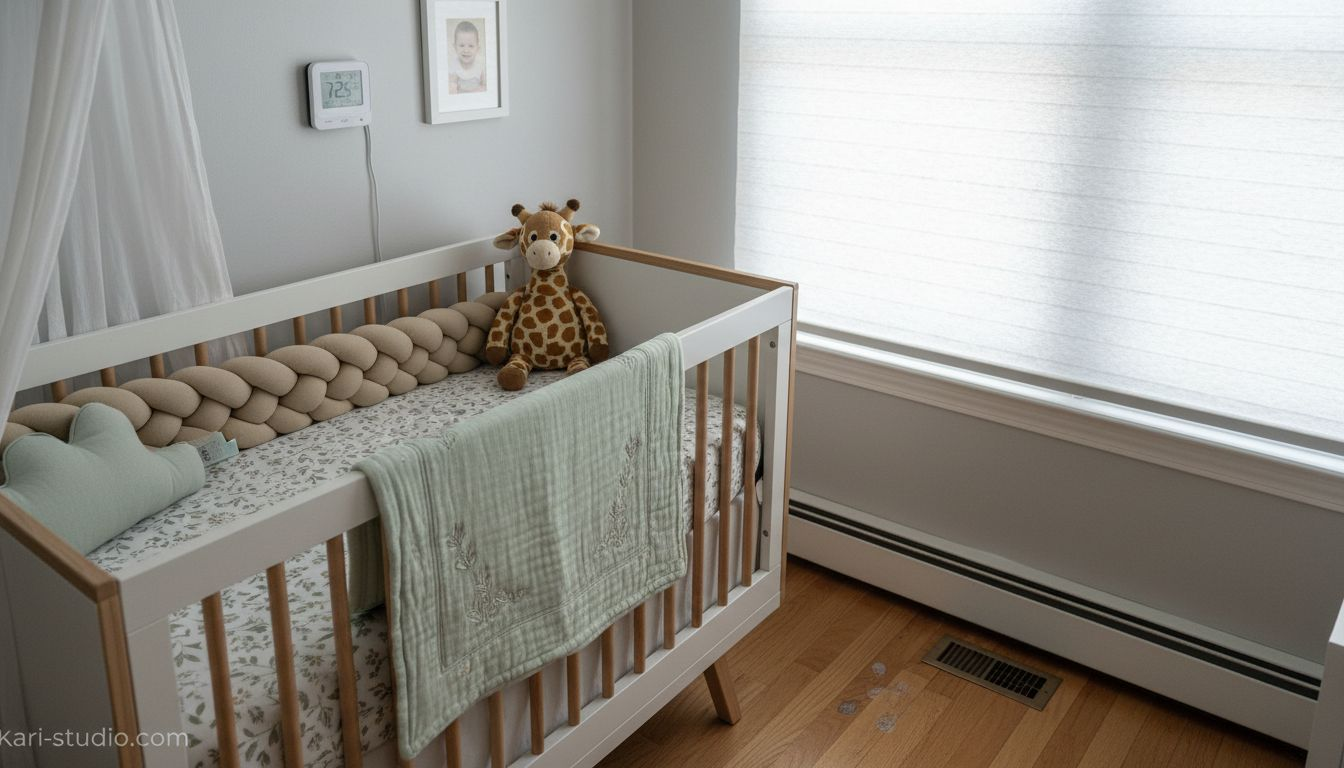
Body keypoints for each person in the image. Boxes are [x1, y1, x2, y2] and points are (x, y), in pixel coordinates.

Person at [448, 20, 486, 94]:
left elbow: (485, 86)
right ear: (455, 47)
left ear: (477, 48)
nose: (466, 50)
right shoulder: (453, 66)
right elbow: (451, 88)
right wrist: (453, 86)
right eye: (461, 45)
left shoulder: (480, 65)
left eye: (471, 46)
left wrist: (480, 89)